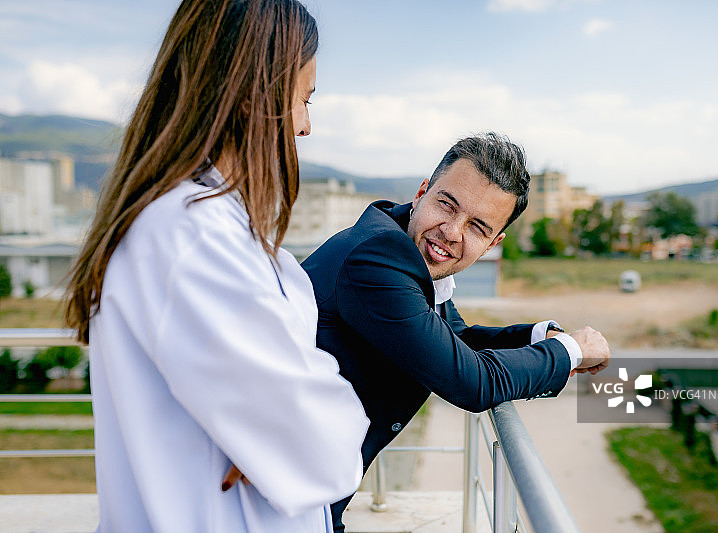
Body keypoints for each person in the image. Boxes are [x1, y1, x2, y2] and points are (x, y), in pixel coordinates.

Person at [64, 1, 368, 531]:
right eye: (303, 98)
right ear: (256, 94)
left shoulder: (206, 226)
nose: (305, 126)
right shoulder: (189, 237)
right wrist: (292, 427)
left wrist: (282, 427)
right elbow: (324, 449)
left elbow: (302, 424)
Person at [302, 133, 611, 532]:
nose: (451, 231)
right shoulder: (376, 261)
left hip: (313, 490)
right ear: (422, 192)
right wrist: (570, 351)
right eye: (447, 205)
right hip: (278, 496)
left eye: (477, 227)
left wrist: (539, 337)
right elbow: (471, 381)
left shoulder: (402, 247)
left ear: (493, 243)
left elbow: (456, 338)